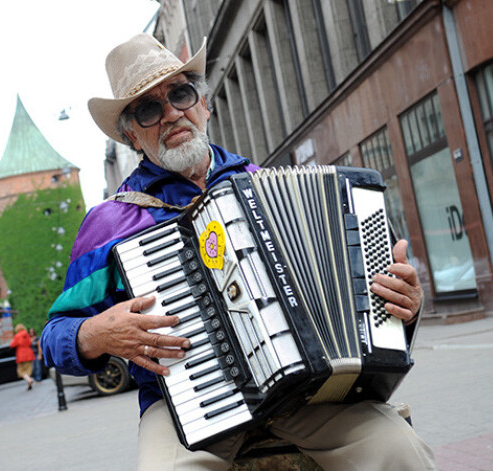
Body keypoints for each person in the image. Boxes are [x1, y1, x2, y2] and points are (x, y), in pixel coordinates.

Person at [40, 33, 436, 471]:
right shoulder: (109, 225)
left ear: (204, 104)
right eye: (149, 109)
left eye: (180, 93)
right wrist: (93, 334)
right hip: (186, 408)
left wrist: (403, 304)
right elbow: (54, 335)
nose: (171, 113)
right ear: (132, 136)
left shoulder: (263, 184)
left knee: (399, 450)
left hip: (301, 393)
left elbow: (353, 301)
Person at [11, 324, 35, 389]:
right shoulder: (27, 335)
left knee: (20, 371)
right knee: (28, 370)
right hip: (29, 353)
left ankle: (29, 380)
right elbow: (30, 343)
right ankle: (29, 384)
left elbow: (12, 345)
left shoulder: (17, 336)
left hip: (21, 354)